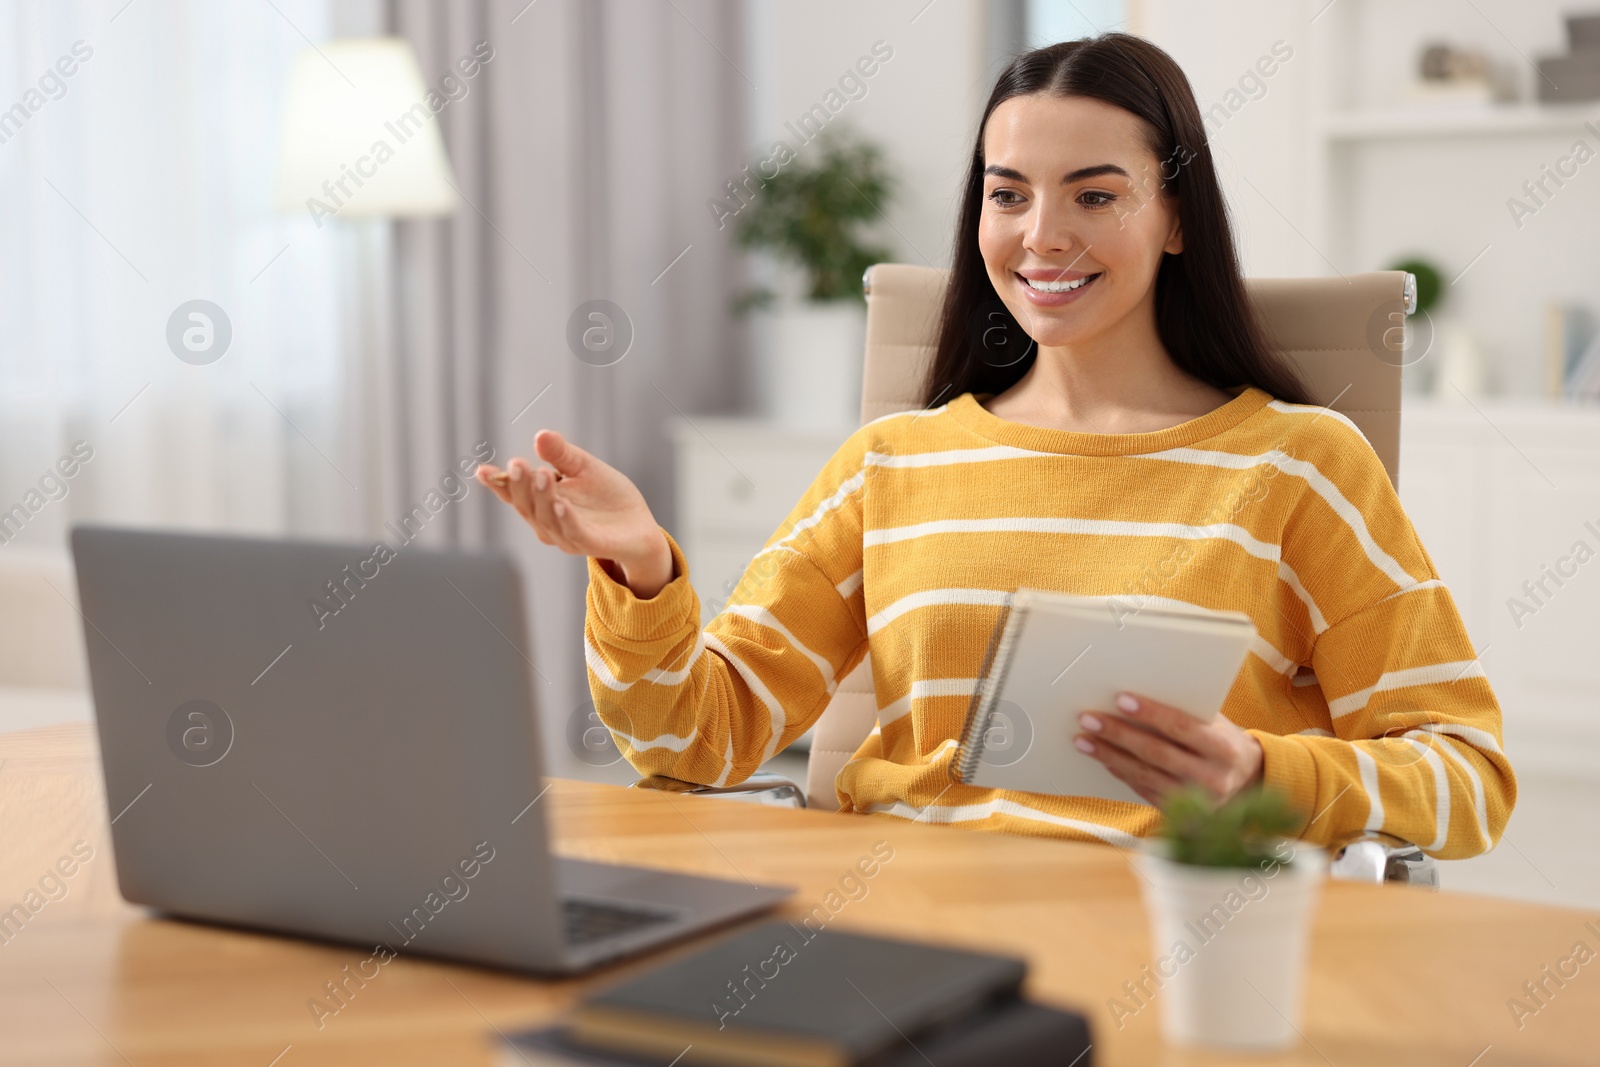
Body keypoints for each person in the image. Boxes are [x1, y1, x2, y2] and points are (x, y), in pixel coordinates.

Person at [477, 34, 1513, 857]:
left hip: (1166, 934)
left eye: (1094, 195)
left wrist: (1261, 774)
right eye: (1007, 192)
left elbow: (1468, 779)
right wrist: (643, 569)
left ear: (1176, 218)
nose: (1040, 236)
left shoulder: (1298, 463)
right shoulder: (890, 462)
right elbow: (691, 743)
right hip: (902, 930)